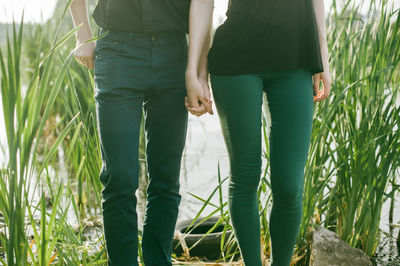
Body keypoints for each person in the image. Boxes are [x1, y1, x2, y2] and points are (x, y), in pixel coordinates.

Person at [185, 0, 332, 265]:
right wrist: (196, 69)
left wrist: (322, 54)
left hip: (296, 55)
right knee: (245, 175)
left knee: (289, 185)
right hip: (236, 58)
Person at [69, 0, 203, 265]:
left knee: (166, 178)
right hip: (118, 51)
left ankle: (158, 260)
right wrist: (82, 35)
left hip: (173, 52)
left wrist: (196, 69)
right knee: (119, 177)